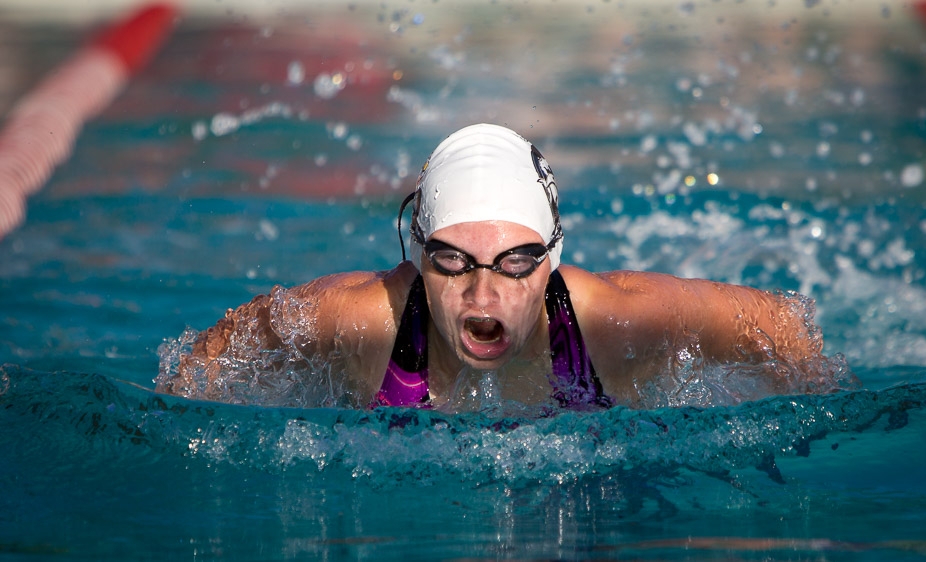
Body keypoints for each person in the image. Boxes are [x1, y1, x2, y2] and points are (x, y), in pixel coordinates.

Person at [157, 123, 846, 410]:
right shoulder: (361, 321)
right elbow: (216, 354)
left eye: (515, 264)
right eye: (453, 263)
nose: (482, 293)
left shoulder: (615, 320)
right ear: (418, 256)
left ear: (552, 262)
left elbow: (781, 325)